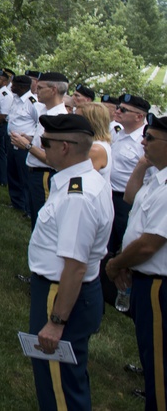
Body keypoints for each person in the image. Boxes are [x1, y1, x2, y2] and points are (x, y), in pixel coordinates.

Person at [26, 114, 112, 411]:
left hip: (60, 295)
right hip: (62, 290)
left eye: (46, 142)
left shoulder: (79, 196)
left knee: (58, 388)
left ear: (64, 147)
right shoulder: (81, 181)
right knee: (67, 380)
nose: (40, 146)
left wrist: (56, 322)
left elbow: (75, 266)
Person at [106, 114, 167, 411]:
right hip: (147, 281)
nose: (143, 141)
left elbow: (148, 245)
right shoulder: (158, 177)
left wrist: (116, 264)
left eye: (151, 138)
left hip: (158, 286)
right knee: (152, 355)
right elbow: (131, 197)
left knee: (159, 363)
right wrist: (144, 163)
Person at [101, 93, 152, 307]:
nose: (117, 111)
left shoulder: (146, 141)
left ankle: (120, 291)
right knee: (105, 240)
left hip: (127, 200)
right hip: (108, 193)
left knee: (122, 243)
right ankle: (104, 286)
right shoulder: (118, 132)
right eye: (118, 108)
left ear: (139, 116)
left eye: (123, 110)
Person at [13, 72, 70, 228]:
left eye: (40, 88)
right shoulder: (45, 112)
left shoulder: (58, 118)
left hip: (45, 176)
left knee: (43, 223)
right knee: (35, 220)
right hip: (35, 174)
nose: (35, 91)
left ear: (53, 90)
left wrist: (27, 146)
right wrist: (30, 139)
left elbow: (53, 159)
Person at [7, 74, 39, 216]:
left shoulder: (33, 102)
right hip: (11, 141)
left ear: (23, 87)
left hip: (23, 144)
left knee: (24, 176)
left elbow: (39, 122)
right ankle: (17, 203)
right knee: (12, 173)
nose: (11, 87)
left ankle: (28, 208)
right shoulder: (15, 99)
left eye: (14, 85)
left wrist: (30, 138)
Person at [76, 102, 113, 179]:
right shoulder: (97, 144)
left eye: (78, 118)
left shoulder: (95, 149)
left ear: (91, 122)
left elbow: (79, 178)